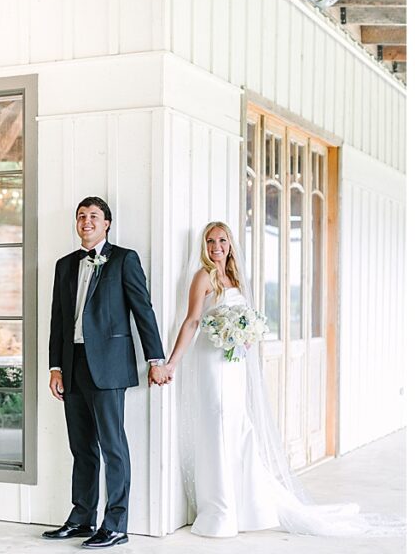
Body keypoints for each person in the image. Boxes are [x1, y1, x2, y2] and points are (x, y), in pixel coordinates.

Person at [159, 221, 395, 537]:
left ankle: (247, 507)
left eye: (222, 240)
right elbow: (192, 322)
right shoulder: (204, 277)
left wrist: (243, 336)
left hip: (235, 362)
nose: (217, 247)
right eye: (211, 241)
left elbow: (244, 319)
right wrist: (173, 362)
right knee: (217, 422)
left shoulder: (237, 278)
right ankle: (221, 510)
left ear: (230, 244)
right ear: (204, 245)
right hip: (211, 361)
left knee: (238, 424)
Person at [42, 197, 167, 549]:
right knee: (81, 447)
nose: (86, 222)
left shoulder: (124, 259)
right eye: (81, 216)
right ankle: (82, 517)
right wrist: (55, 367)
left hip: (109, 366)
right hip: (72, 365)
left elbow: (143, 310)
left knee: (113, 446)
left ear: (107, 223)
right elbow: (58, 321)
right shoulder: (65, 265)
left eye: (94, 216)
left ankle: (115, 524)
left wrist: (156, 359)